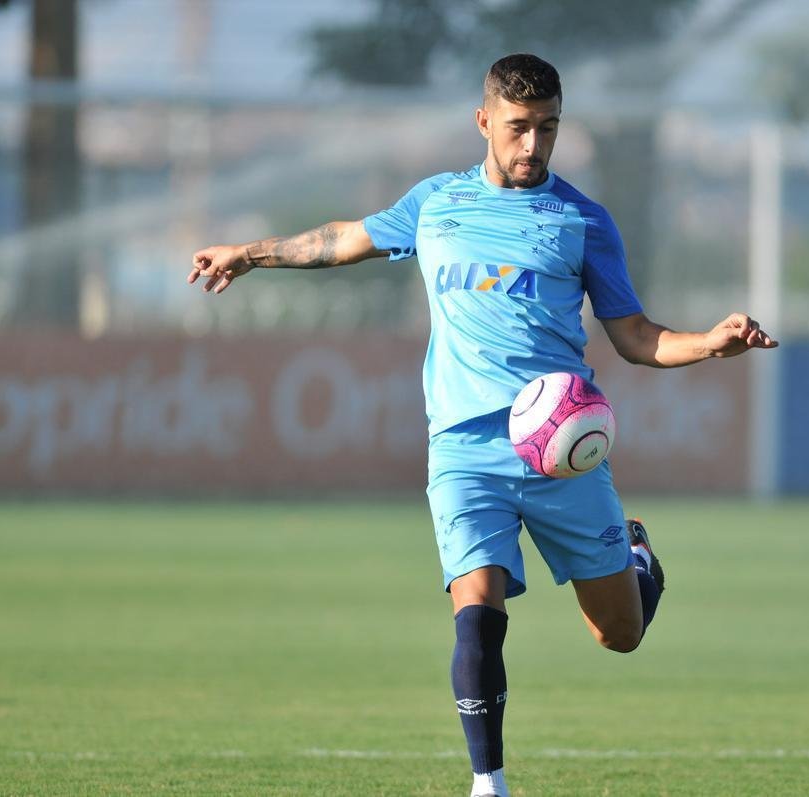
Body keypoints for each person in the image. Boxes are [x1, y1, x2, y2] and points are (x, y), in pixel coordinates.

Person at [188, 53, 777, 797]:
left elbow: (633, 335)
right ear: (484, 122)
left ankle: (638, 558)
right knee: (475, 604)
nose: (534, 146)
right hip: (463, 447)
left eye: (549, 129)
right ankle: (487, 781)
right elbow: (345, 240)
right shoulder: (436, 203)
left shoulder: (583, 220)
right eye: (519, 128)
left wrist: (710, 343)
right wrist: (251, 254)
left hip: (561, 449)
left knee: (618, 634)